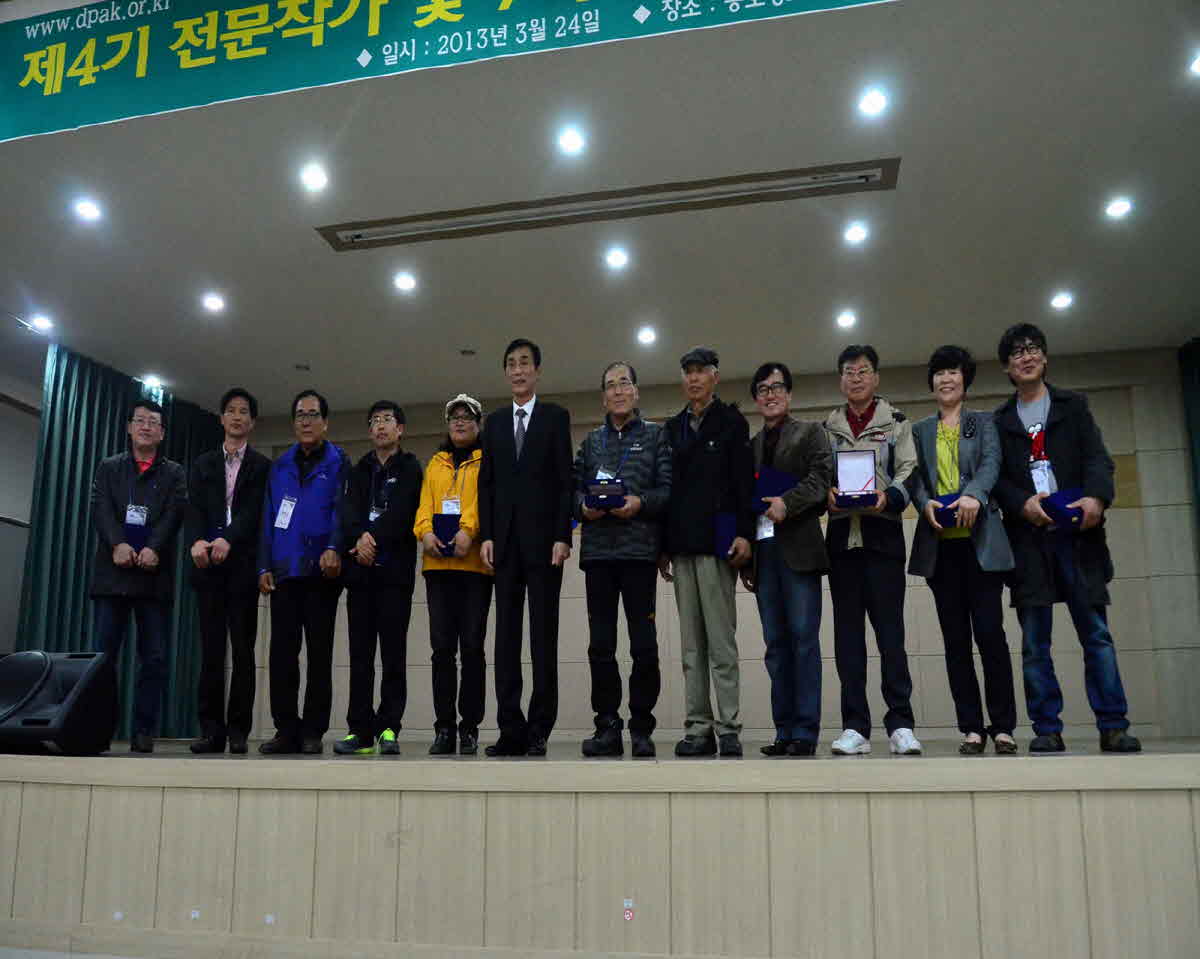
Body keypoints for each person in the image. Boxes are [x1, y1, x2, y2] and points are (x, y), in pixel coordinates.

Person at [992, 324, 1141, 753]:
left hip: (1078, 535)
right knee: (1035, 643)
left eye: (1032, 349)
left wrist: (1096, 498)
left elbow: (1098, 459)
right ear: (1007, 367)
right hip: (1029, 539)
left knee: (1096, 635)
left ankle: (1113, 725)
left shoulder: (1074, 406)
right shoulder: (1000, 421)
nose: (1026, 357)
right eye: (1017, 352)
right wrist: (1022, 503)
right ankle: (1047, 728)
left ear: (1044, 357)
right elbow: (997, 479)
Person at [907, 347, 1018, 755]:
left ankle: (1002, 727)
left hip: (981, 546)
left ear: (965, 380)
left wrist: (974, 495)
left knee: (991, 636)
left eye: (953, 372)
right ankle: (971, 728)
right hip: (941, 550)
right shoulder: (919, 430)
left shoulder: (985, 423)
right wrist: (924, 504)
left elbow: (991, 464)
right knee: (956, 642)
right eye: (939, 373)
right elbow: (915, 476)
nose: (946, 379)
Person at [824, 345, 922, 756]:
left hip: (883, 542)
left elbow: (910, 471)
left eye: (863, 371)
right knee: (848, 640)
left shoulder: (897, 423)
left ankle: (900, 724)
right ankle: (855, 727)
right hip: (842, 545)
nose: (856, 378)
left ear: (876, 378)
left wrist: (888, 498)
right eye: (849, 371)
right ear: (841, 380)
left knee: (891, 636)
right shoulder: (827, 428)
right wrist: (826, 493)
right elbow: (819, 474)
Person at [478, 339, 574, 756]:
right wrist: (486, 535)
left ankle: (539, 730)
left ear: (537, 370)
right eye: (511, 364)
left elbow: (565, 481)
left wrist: (563, 535)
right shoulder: (495, 422)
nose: (518, 370)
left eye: (524, 363)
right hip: (504, 545)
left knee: (542, 638)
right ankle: (510, 729)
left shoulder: (555, 417)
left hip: (545, 545)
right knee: (506, 640)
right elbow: (487, 484)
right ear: (506, 373)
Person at [573, 362, 672, 758]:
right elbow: (571, 492)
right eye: (610, 385)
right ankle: (607, 728)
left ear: (636, 392)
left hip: (638, 554)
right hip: (598, 555)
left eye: (624, 383)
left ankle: (641, 729)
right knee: (601, 645)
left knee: (644, 645)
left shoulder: (656, 436)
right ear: (603, 397)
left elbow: (667, 491)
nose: (617, 391)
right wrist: (583, 507)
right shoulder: (590, 442)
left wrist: (639, 502)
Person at [660, 347, 754, 758]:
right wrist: (662, 546)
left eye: (701, 371)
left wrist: (745, 535)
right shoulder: (672, 428)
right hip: (681, 545)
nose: (694, 379)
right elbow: (666, 490)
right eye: (688, 372)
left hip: (719, 543)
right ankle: (698, 729)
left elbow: (744, 485)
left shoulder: (732, 422)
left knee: (721, 642)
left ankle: (729, 728)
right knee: (691, 647)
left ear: (715, 377)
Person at [741, 363, 832, 757]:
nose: (770, 394)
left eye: (777, 387)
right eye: (763, 389)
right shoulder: (750, 446)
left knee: (803, 641)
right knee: (775, 646)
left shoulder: (811, 433)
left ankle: (806, 732)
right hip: (763, 554)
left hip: (799, 550)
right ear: (756, 398)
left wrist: (787, 503)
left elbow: (822, 479)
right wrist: (744, 559)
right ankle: (783, 731)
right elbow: (741, 500)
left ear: (790, 394)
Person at [89, 399, 187, 753]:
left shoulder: (174, 472)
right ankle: (98, 728)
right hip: (112, 573)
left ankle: (144, 730)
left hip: (153, 575)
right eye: (140, 420)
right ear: (130, 427)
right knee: (102, 658)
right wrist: (117, 544)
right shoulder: (109, 467)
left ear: (162, 433)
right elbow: (100, 508)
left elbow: (175, 513)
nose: (146, 426)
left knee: (154, 658)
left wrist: (154, 547)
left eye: (153, 422)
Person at [257, 389, 349, 755]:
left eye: (313, 415)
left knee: (319, 654)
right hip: (285, 570)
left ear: (325, 422)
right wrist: (264, 564)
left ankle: (313, 731)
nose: (306, 421)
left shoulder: (339, 461)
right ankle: (286, 730)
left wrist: (335, 547)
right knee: (282, 654)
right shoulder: (279, 465)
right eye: (300, 415)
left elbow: (343, 510)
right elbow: (268, 517)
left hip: (322, 571)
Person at [334, 401, 423, 756]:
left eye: (387, 420)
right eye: (374, 421)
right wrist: (360, 539)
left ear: (400, 429)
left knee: (393, 654)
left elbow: (403, 513)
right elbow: (348, 512)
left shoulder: (411, 468)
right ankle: (359, 730)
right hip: (360, 573)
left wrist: (371, 538)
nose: (380, 426)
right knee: (360, 655)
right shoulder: (358, 470)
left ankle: (388, 728)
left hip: (395, 575)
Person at [185, 388, 270, 755]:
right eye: (231, 411)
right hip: (208, 566)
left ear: (252, 422)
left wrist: (229, 539)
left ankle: (238, 731)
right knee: (211, 652)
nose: (237, 417)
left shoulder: (262, 466)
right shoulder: (202, 463)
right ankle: (211, 731)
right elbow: (193, 508)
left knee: (243, 652)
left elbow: (254, 512)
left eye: (244, 411)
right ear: (221, 419)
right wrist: (196, 541)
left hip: (242, 568)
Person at [414, 394, 492, 756]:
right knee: (441, 651)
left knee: (472, 649)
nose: (460, 422)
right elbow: (423, 507)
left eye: (467, 417)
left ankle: (469, 728)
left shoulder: (487, 460)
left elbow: (485, 502)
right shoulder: (435, 463)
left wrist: (468, 531)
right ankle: (444, 727)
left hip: (474, 568)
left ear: (478, 423)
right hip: (438, 569)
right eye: (454, 417)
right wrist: (426, 533)